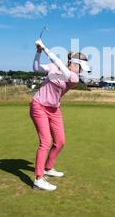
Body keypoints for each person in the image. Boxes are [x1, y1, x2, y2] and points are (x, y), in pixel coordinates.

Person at [30, 38, 91, 191]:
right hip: (38, 106)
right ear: (73, 63)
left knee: (60, 141)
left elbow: (58, 62)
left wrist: (44, 47)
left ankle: (48, 168)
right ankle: (38, 178)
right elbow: (36, 68)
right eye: (79, 66)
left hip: (54, 109)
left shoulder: (74, 78)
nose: (80, 70)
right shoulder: (53, 67)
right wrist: (38, 52)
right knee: (45, 141)